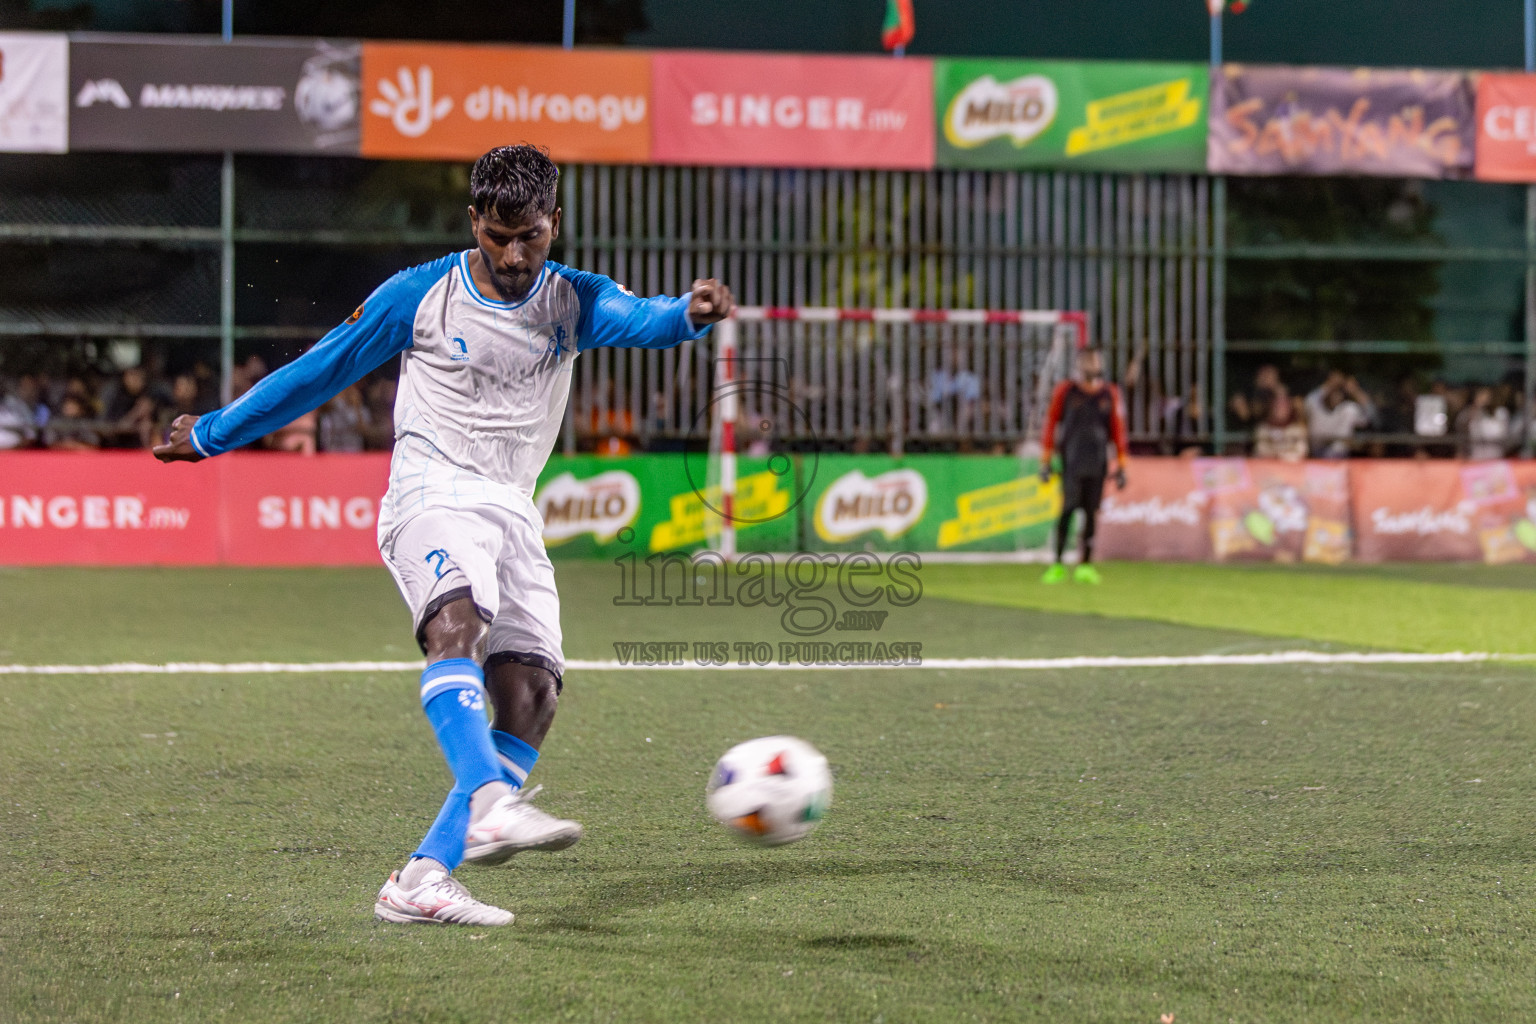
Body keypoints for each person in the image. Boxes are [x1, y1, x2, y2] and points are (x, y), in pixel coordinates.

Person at [153, 145, 736, 927]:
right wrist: (215, 433)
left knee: (530, 696)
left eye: (530, 234)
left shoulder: (573, 300)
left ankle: (421, 878)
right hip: (431, 490)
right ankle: (493, 801)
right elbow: (320, 369)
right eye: (499, 235)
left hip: (511, 509)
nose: (515, 253)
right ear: (474, 223)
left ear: (554, 224)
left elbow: (646, 319)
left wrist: (689, 315)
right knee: (457, 624)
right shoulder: (420, 295)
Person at [1038, 346, 1128, 584]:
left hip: (1097, 463)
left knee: (1091, 513)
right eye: (1087, 361)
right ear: (1079, 364)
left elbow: (1118, 432)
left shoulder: (1110, 394)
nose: (1091, 365)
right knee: (1067, 509)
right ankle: (1057, 563)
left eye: (1095, 360)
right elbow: (1051, 425)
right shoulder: (1066, 391)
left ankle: (1085, 565)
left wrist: (1121, 465)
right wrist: (1045, 462)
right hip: (1071, 463)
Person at [1305, 372, 1374, 458]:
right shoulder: (1317, 408)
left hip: (1341, 460)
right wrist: (1330, 384)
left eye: (1339, 391)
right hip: (1317, 458)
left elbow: (1371, 414)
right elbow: (1310, 400)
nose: (1336, 396)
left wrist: (1355, 391)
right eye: (1333, 391)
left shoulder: (1348, 409)